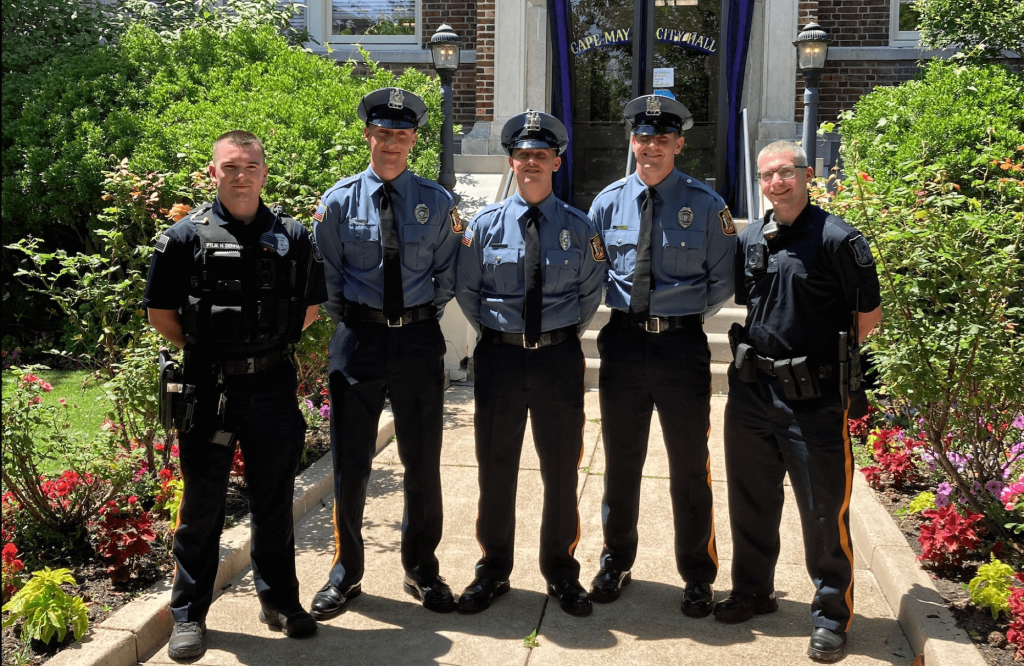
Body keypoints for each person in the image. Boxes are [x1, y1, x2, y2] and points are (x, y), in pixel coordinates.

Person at [144, 130, 327, 660]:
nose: (241, 174)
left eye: (250, 165)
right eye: (230, 166)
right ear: (213, 173)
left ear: (264, 173)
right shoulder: (183, 237)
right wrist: (212, 350)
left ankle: (280, 603)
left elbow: (309, 308)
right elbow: (161, 314)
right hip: (210, 389)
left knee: (274, 501)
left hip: (272, 387)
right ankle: (189, 616)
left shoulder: (292, 235)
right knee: (202, 505)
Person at [718, 140, 882, 663]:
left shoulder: (838, 239)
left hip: (813, 399)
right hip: (751, 391)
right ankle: (752, 590)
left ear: (807, 174)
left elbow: (867, 319)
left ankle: (832, 616)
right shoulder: (752, 236)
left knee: (822, 511)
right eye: (767, 176)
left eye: (786, 172)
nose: (776, 183)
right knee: (751, 499)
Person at [310, 87, 462, 618]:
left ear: (414, 139)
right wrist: (360, 319)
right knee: (351, 464)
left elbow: (448, 276)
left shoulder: (439, 202)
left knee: (422, 462)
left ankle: (422, 569)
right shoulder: (337, 202)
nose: (391, 142)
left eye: (401, 134)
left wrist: (415, 317)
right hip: (359, 340)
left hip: (418, 340)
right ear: (368, 135)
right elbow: (327, 277)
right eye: (382, 132)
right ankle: (346, 572)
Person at [587, 94, 736, 617]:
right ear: (633, 141)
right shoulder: (606, 203)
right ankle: (616, 561)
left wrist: (680, 312)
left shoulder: (708, 204)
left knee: (689, 466)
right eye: (643, 138)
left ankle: (697, 574)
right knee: (621, 462)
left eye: (661, 138)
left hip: (681, 348)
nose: (651, 147)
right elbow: (594, 272)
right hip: (624, 343)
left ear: (679, 143)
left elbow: (722, 281)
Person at [454, 110, 606, 616]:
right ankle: (493, 570)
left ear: (556, 162)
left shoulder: (581, 228)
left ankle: (561, 572)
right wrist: (504, 336)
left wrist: (554, 337)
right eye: (522, 155)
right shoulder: (483, 226)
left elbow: (590, 293)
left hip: (558, 360)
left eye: (541, 155)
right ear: (512, 162)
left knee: (560, 470)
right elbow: (468, 291)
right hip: (499, 358)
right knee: (495, 468)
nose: (531, 163)